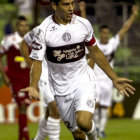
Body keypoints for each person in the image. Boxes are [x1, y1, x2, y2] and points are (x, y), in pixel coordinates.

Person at [21, 0, 135, 140]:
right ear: (54, 5)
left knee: (84, 122)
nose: (71, 8)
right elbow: (37, 62)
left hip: (83, 80)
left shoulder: (83, 24)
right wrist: (33, 86)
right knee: (79, 135)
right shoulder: (43, 30)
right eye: (65, 4)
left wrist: (114, 78)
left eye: (72, 3)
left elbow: (95, 52)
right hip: (60, 88)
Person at [85, 5, 138, 138]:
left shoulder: (112, 44)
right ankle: (96, 127)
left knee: (104, 107)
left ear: (109, 34)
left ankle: (101, 129)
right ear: (100, 33)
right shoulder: (95, 44)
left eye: (107, 33)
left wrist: (133, 15)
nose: (105, 35)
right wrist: (83, 10)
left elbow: (124, 29)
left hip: (108, 81)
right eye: (103, 32)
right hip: (95, 80)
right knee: (95, 106)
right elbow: (85, 28)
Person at [20, 27, 61, 140]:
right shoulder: (41, 29)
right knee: (55, 110)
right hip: (44, 75)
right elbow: (24, 42)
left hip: (61, 77)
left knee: (49, 112)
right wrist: (29, 62)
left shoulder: (71, 30)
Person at [0, 16, 30, 140]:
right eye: (22, 25)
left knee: (25, 105)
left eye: (26, 25)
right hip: (15, 78)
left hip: (27, 79)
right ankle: (26, 137)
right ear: (17, 27)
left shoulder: (32, 40)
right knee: (22, 105)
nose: (24, 28)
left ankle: (21, 137)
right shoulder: (9, 40)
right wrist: (4, 76)